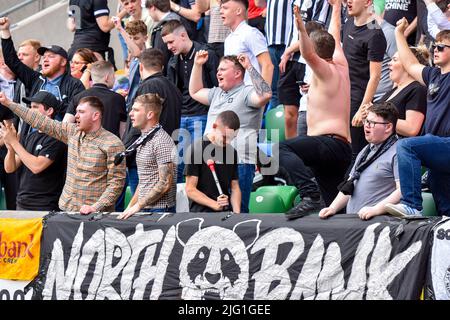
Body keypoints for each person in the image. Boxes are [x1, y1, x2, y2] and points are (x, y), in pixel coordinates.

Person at [280, 2, 352, 219]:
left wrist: (300, 26)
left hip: (326, 144)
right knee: (332, 209)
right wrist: (336, 9)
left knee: (278, 149)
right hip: (340, 149)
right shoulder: (341, 63)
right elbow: (335, 33)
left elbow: (308, 53)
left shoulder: (324, 70)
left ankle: (309, 195)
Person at [0, 93, 126, 214]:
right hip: (67, 210)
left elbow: (116, 183)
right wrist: (9, 103)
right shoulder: (72, 132)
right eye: (76, 111)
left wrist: (95, 207)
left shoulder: (113, 143)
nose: (76, 115)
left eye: (81, 112)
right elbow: (40, 121)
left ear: (95, 116)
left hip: (95, 215)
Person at [189, 51, 272, 213]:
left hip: (239, 161)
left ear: (237, 73)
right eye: (218, 69)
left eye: (223, 69)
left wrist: (249, 67)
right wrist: (197, 65)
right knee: (216, 210)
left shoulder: (247, 92)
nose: (218, 72)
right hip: (211, 161)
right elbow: (195, 92)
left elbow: (266, 94)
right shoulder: (216, 93)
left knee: (238, 211)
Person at [385, 24, 450, 217]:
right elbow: (410, 64)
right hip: (437, 152)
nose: (435, 50)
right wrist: (398, 33)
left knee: (407, 146)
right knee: (445, 212)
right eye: (434, 46)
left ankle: (411, 205)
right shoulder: (433, 75)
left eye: (441, 47)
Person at [119, 48, 182, 210]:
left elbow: (139, 127)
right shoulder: (172, 87)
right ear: (161, 66)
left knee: (145, 214)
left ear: (140, 67)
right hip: (163, 157)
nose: (133, 113)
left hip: (147, 161)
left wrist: (125, 152)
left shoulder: (149, 86)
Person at [319, 102, 401, 220]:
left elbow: (402, 191)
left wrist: (376, 210)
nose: (366, 126)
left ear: (388, 127)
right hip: (355, 224)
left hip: (378, 224)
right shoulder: (365, 151)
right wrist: (332, 208)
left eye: (372, 123)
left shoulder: (399, 151)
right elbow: (349, 185)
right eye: (366, 121)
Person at [162, 20, 219, 182]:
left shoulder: (207, 53)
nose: (169, 47)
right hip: (181, 118)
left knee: (197, 166)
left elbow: (218, 87)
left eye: (171, 42)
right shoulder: (173, 60)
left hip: (201, 116)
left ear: (183, 35)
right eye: (166, 44)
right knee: (179, 167)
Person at [0, 17, 85, 123]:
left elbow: (78, 113)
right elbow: (11, 60)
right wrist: (5, 31)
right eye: (44, 57)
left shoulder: (74, 85)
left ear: (63, 62)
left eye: (51, 56)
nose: (45, 59)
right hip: (32, 137)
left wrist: (53, 103)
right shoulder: (36, 79)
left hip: (57, 137)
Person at [1, 91, 67, 211]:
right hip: (22, 202)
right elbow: (10, 168)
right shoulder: (31, 136)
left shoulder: (57, 138)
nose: (31, 111)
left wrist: (14, 142)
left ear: (49, 111)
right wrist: (10, 148)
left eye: (35, 107)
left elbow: (37, 166)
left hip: (45, 205)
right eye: (30, 107)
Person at [117, 93, 177, 219]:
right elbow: (145, 181)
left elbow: (165, 183)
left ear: (150, 115)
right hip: (146, 208)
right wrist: (130, 207)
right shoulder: (146, 138)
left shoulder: (161, 141)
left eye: (136, 110)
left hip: (159, 211)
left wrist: (138, 206)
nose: (130, 114)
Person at [343, 0, 387, 161]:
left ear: (368, 2)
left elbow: (375, 76)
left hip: (357, 100)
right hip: (341, 96)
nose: (348, 1)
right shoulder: (347, 23)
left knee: (356, 152)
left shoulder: (374, 32)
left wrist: (362, 110)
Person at [185, 110, 241, 212]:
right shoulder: (197, 148)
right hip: (202, 214)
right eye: (225, 137)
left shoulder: (232, 152)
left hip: (226, 213)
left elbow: (235, 187)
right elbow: (190, 189)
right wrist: (214, 204)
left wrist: (237, 214)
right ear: (215, 127)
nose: (228, 142)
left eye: (232, 138)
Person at [64, 61, 127, 139]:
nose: (114, 79)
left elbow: (65, 126)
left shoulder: (78, 97)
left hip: (83, 147)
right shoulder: (118, 99)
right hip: (109, 147)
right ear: (107, 77)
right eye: (113, 76)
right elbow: (123, 131)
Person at [377, 47, 428, 137]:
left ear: (407, 65)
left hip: (397, 148)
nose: (389, 63)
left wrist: (377, 116)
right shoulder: (394, 89)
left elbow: (411, 129)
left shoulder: (418, 90)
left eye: (395, 60)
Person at [221, 0, 274, 87]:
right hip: (236, 95)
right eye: (221, 8)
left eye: (225, 8)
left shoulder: (251, 33)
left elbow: (267, 65)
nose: (221, 11)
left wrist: (263, 96)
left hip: (251, 94)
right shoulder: (228, 39)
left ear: (238, 11)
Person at [67, 0, 116, 67]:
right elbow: (105, 26)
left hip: (75, 51)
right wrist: (123, 11)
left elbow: (72, 26)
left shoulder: (73, 1)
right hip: (92, 53)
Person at [146, 0, 181, 73]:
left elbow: (161, 58)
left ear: (152, 7)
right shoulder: (179, 20)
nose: (149, 14)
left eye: (148, 11)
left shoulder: (162, 29)